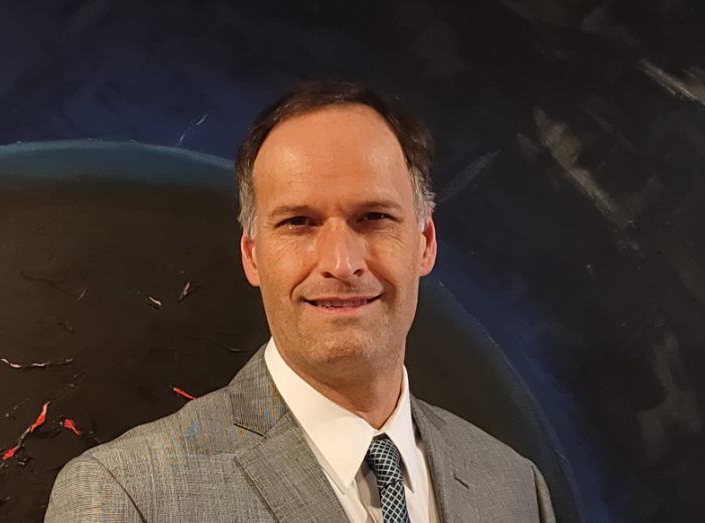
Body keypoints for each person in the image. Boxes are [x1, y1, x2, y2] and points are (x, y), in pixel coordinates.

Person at [45, 81, 555, 522]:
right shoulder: (125, 496)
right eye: (298, 223)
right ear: (252, 255)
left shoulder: (512, 487)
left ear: (425, 242)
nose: (340, 262)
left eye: (374, 217)